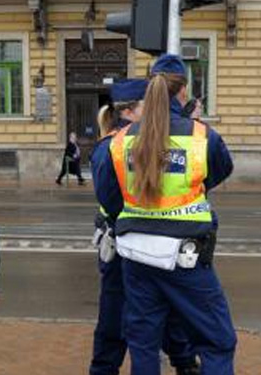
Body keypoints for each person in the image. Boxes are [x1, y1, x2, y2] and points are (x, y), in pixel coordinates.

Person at [93, 54, 236, 375]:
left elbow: (109, 198)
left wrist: (141, 209)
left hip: (137, 259)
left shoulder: (118, 141)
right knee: (215, 341)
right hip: (186, 258)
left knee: (143, 345)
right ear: (183, 90)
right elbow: (218, 171)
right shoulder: (202, 136)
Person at [90, 79, 200, 375]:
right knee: (115, 322)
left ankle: (184, 361)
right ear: (130, 111)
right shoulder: (112, 146)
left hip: (137, 245)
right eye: (148, 107)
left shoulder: (131, 141)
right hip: (121, 248)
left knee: (160, 315)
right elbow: (111, 200)